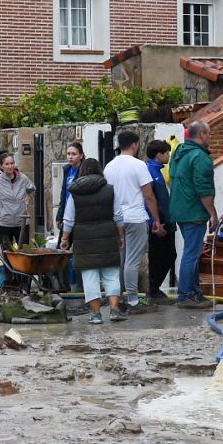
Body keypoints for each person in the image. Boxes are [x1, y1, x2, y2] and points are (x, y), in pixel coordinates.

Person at [102, 130, 164, 315]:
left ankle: (117, 298)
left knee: (120, 261)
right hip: (136, 218)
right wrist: (156, 220)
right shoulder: (138, 165)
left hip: (116, 219)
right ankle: (133, 300)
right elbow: (149, 195)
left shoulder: (109, 167)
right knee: (132, 261)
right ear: (135, 145)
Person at [59, 159, 125, 324]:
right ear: (100, 170)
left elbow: (68, 219)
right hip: (107, 236)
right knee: (111, 275)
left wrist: (65, 239)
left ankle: (96, 314)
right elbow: (118, 216)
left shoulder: (74, 191)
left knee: (89, 277)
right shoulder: (109, 190)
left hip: (84, 239)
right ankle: (115, 309)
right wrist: (121, 236)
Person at [169, 119, 220, 309]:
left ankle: (194, 292)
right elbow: (203, 188)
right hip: (194, 211)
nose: (210, 137)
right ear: (202, 135)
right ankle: (186, 295)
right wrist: (213, 214)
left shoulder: (179, 153)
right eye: (209, 133)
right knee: (192, 253)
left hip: (180, 210)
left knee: (191, 252)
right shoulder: (200, 157)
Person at [0, 151, 35, 287]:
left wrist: (28, 199)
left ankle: (23, 282)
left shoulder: (23, 179)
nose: (10, 166)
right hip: (4, 224)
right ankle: (10, 283)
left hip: (22, 224)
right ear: (1, 167)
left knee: (23, 253)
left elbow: (32, 189)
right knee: (8, 254)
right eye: (7, 164)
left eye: (12, 163)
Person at [144, 140, 177, 303]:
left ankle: (154, 289)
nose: (168, 156)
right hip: (159, 222)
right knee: (161, 257)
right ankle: (153, 290)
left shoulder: (156, 171)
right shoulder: (150, 171)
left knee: (169, 255)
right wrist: (155, 222)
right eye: (167, 153)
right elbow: (149, 198)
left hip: (164, 220)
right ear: (159, 154)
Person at [55, 140, 85, 229]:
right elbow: (63, 195)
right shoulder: (67, 170)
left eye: (73, 154)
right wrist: (59, 216)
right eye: (68, 154)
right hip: (67, 214)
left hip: (79, 214)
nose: (70, 157)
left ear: (81, 155)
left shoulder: (84, 170)